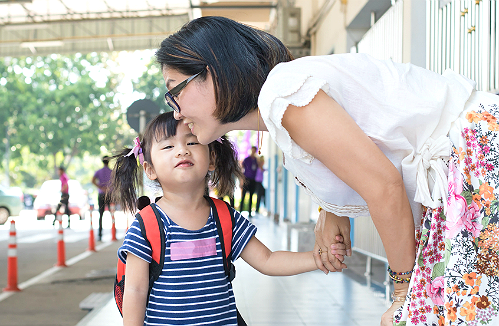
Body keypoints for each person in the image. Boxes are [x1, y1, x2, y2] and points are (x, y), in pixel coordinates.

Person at [155, 16, 499, 326]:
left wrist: (402, 292)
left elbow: (383, 186)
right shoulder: (282, 104)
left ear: (215, 71)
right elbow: (356, 158)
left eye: (175, 91)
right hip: (459, 171)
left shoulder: (282, 95)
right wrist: (330, 209)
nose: (175, 112)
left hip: (473, 159)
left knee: (434, 313)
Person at [110, 112, 347, 326]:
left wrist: (317, 260)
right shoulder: (147, 224)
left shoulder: (225, 217)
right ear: (150, 169)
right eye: (168, 146)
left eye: (192, 142)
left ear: (212, 159)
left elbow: (268, 260)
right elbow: (135, 289)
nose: (182, 150)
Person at [92, 156, 112, 241]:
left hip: (101, 195)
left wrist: (100, 187)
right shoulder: (112, 172)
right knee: (112, 213)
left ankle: (100, 234)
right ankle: (113, 232)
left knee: (101, 214)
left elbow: (93, 181)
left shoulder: (98, 172)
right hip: (110, 194)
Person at [239, 146, 257, 216]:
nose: (253, 152)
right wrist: (242, 180)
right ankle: (240, 211)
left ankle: (250, 212)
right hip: (246, 179)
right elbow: (242, 169)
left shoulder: (256, 160)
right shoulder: (247, 159)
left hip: (253, 180)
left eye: (254, 151)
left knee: (251, 196)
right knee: (243, 196)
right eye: (252, 150)